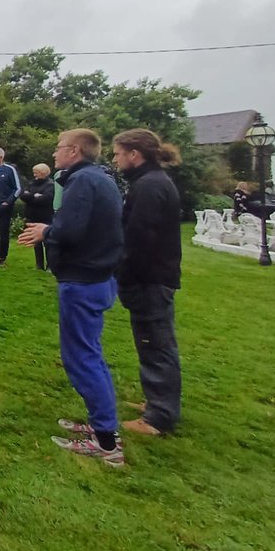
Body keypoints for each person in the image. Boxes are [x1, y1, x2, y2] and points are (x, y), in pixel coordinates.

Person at [18, 128, 125, 466]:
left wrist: (47, 230)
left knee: (82, 357)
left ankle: (107, 443)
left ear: (75, 151)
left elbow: (72, 230)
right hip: (97, 277)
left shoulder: (82, 182)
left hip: (84, 280)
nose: (54, 153)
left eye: (58, 147)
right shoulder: (99, 179)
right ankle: (101, 424)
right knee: (90, 353)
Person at [112, 129, 183, 437]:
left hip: (150, 278)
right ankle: (159, 401)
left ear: (134, 154)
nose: (115, 159)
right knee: (154, 341)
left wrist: (125, 275)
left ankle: (159, 417)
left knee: (156, 342)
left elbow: (140, 239)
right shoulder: (149, 182)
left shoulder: (150, 187)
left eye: (118, 153)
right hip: (154, 275)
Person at [19, 164, 56, 270]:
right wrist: (34, 196)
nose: (34, 174)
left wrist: (31, 196)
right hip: (32, 216)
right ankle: (39, 264)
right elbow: (23, 195)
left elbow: (46, 199)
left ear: (43, 172)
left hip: (45, 217)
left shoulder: (50, 185)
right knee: (36, 241)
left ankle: (50, 265)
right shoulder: (32, 183)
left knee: (47, 242)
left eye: (36, 172)